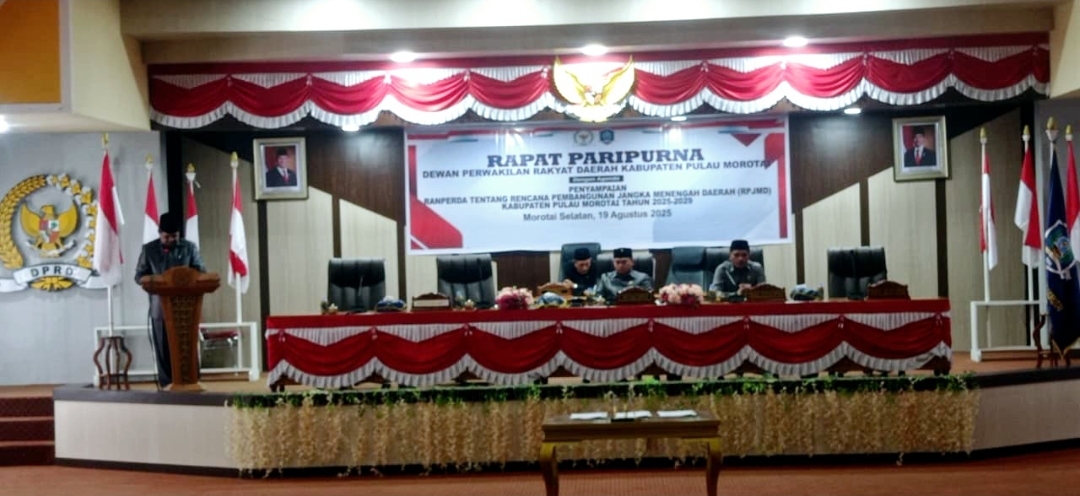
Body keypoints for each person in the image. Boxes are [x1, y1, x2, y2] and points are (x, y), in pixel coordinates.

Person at [134, 212, 207, 388]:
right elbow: (139, 276)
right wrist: (153, 281)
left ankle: (190, 381)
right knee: (163, 347)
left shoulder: (189, 248)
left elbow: (201, 272)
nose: (171, 240)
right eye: (167, 237)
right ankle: (167, 384)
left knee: (186, 346)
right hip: (160, 308)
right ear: (160, 233)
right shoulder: (149, 250)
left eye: (174, 236)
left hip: (185, 308)